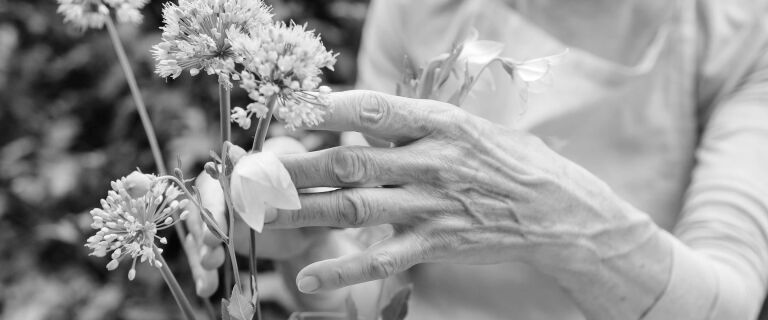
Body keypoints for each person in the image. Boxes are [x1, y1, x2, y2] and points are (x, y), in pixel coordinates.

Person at [217, 0, 768, 319]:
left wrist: (554, 218)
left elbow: (731, 300)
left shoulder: (739, 33)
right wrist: (307, 242)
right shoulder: (419, 9)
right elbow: (379, 274)